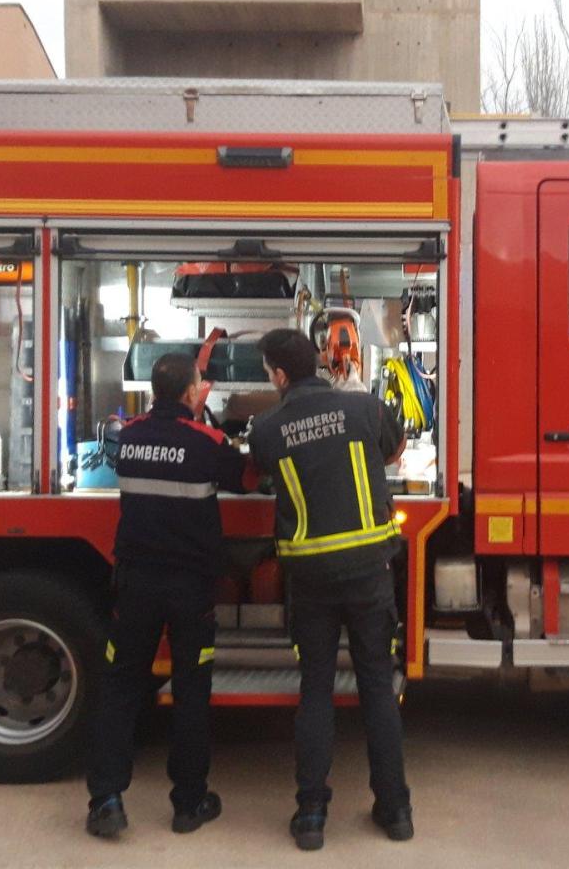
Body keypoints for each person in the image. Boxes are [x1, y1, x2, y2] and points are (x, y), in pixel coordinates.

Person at [247, 328, 413, 851]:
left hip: (311, 579)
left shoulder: (267, 428)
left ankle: (312, 815)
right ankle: (396, 811)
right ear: (318, 362)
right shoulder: (364, 408)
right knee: (377, 688)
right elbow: (394, 451)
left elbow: (259, 476)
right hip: (369, 573)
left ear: (279, 375)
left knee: (315, 690)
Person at [85, 353, 251, 839]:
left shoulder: (129, 436)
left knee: (121, 687)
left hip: (135, 583)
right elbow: (248, 478)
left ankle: (106, 801)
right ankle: (189, 803)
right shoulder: (206, 442)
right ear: (192, 391)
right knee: (191, 691)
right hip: (190, 588)